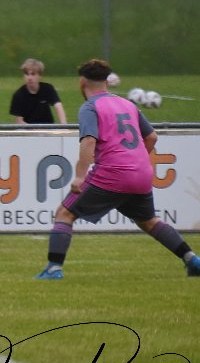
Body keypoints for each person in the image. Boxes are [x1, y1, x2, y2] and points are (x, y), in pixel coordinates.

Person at [37, 58, 200, 280]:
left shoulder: (90, 107)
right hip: (141, 173)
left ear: (82, 83)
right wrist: (136, 159)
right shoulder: (127, 104)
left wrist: (79, 177)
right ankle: (192, 259)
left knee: (65, 213)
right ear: (107, 81)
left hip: (112, 173)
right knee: (149, 221)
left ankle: (53, 269)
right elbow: (152, 137)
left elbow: (89, 141)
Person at [10, 58, 67, 124]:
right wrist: (34, 129)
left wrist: (64, 125)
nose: (29, 78)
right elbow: (19, 121)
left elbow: (58, 106)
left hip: (48, 126)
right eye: (27, 74)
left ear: (40, 76)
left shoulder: (48, 88)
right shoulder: (18, 95)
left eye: (33, 74)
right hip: (28, 128)